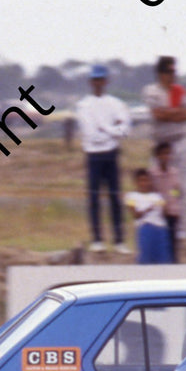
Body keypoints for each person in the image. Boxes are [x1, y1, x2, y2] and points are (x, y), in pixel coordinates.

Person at [75, 64, 131, 253]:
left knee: (115, 197)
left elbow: (124, 130)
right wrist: (111, 130)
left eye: (101, 79)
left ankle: (118, 240)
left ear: (106, 81)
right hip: (93, 155)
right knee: (94, 197)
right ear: (91, 82)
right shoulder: (84, 105)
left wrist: (105, 129)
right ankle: (97, 239)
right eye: (95, 80)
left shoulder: (116, 104)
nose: (98, 83)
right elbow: (90, 134)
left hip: (111, 153)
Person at [142, 55, 186, 246]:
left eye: (174, 71)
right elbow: (158, 114)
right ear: (160, 73)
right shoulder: (151, 91)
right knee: (156, 186)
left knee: (181, 188)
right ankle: (159, 227)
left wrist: (169, 112)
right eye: (169, 72)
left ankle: (182, 231)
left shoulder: (180, 91)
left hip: (179, 142)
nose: (172, 75)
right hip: (160, 143)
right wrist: (175, 112)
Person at [125, 168, 172, 264]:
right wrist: (148, 209)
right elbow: (135, 215)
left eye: (146, 180)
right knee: (146, 258)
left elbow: (164, 212)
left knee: (163, 259)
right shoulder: (131, 196)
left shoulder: (156, 196)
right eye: (141, 181)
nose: (144, 183)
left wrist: (166, 205)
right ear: (136, 182)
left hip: (160, 229)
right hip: (145, 228)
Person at [150, 141, 182, 259]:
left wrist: (174, 203)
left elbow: (176, 191)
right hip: (158, 214)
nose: (166, 157)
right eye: (163, 154)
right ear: (157, 156)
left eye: (168, 154)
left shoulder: (174, 172)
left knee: (172, 243)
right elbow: (152, 192)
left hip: (172, 212)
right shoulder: (153, 174)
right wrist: (160, 204)